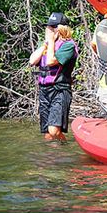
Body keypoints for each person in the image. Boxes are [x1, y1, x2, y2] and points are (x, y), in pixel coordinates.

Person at [29, 12, 78, 141]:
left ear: (61, 29)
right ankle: (53, 158)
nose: (49, 30)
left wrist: (50, 41)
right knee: (48, 135)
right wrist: (46, 44)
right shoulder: (47, 45)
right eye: (49, 27)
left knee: (54, 130)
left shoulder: (68, 46)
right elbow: (32, 61)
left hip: (59, 90)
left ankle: (65, 147)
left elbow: (51, 61)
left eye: (53, 27)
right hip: (45, 91)